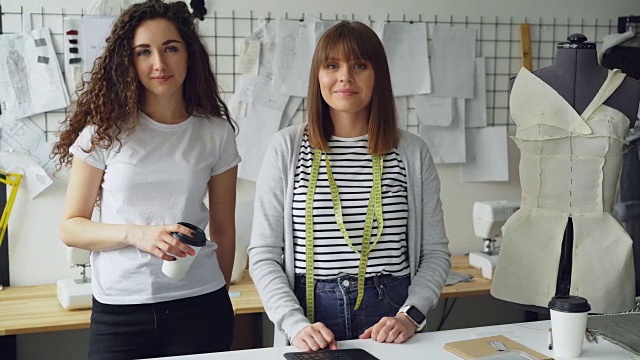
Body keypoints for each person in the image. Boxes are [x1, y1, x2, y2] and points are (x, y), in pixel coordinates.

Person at [51, 0, 240, 358]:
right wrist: (135, 234)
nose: (159, 64)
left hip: (200, 306)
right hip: (120, 311)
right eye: (144, 52)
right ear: (129, 62)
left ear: (189, 54)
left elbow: (224, 228)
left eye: (170, 48)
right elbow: (71, 227)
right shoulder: (103, 133)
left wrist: (220, 291)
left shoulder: (215, 133)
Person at [248, 20, 451, 351]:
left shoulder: (411, 152)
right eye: (332, 65)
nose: (345, 76)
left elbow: (435, 253)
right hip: (310, 318)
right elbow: (263, 254)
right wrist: (294, 324)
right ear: (318, 75)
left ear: (378, 76)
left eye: (359, 65)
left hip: (391, 317)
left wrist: (410, 316)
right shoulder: (286, 148)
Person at [491, 34, 640, 314]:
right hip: (532, 244)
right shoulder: (521, 87)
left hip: (601, 245)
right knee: (532, 346)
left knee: (598, 347)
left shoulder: (627, 89)